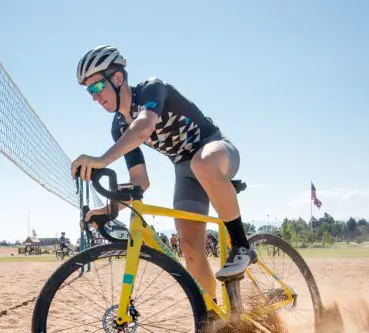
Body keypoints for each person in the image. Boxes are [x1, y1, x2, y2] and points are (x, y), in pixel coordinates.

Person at [71, 45, 256, 300]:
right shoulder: (119, 127)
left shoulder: (151, 88)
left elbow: (145, 127)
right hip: (185, 168)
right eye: (89, 91)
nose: (94, 96)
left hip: (216, 148)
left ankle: (242, 246)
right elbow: (140, 182)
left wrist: (102, 160)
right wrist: (109, 210)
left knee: (201, 163)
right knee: (190, 249)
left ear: (117, 78)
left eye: (96, 87)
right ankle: (213, 319)